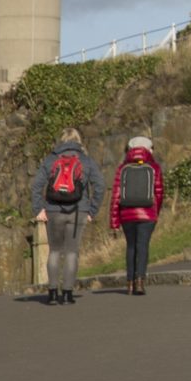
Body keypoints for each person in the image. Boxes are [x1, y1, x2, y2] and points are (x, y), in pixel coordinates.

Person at [31, 128, 102, 305]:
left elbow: (36, 186)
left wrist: (39, 209)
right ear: (78, 141)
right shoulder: (86, 161)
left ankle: (53, 293)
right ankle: (68, 293)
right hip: (78, 212)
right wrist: (92, 210)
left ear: (61, 141)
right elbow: (100, 186)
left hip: (53, 210)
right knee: (72, 252)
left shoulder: (51, 159)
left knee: (54, 251)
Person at [109, 135, 166, 296]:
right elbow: (159, 193)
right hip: (147, 214)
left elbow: (116, 196)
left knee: (131, 247)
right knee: (143, 246)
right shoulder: (154, 167)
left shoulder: (123, 168)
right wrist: (156, 211)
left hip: (127, 214)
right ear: (149, 149)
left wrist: (114, 221)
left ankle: (129, 283)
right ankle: (140, 281)